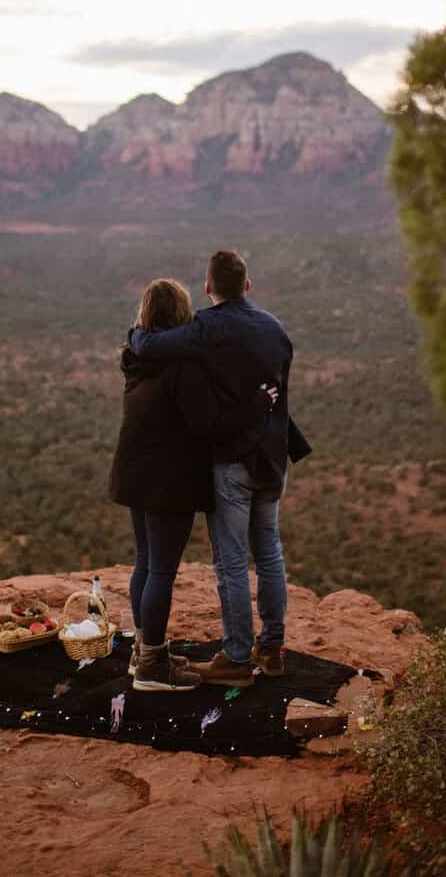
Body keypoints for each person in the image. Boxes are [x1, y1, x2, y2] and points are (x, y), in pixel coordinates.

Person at [128, 249, 310, 690]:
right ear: (247, 284)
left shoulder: (205, 328)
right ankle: (272, 649)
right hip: (272, 457)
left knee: (230, 562)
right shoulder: (274, 327)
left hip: (233, 460)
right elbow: (277, 390)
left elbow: (149, 344)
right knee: (269, 553)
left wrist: (134, 330)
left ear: (209, 289)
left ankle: (234, 657)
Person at [108, 277, 275, 692]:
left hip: (135, 473)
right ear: (184, 316)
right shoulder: (183, 365)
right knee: (161, 570)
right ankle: (151, 668)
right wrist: (258, 404)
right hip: (168, 481)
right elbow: (209, 426)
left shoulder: (137, 357)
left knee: (146, 564)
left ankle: (146, 653)